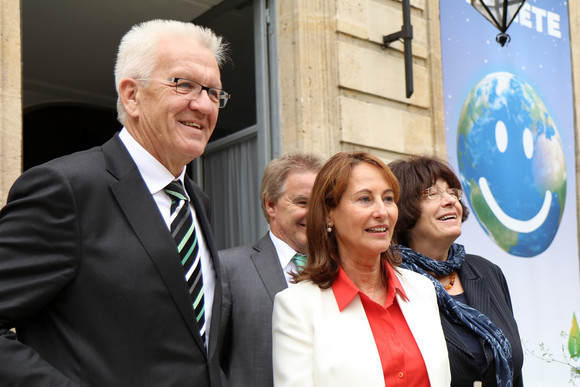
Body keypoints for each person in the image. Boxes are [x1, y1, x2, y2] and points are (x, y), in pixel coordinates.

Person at [0, 19, 231, 386]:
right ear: (131, 95)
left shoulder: (194, 202)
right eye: (184, 84)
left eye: (214, 92)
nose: (203, 105)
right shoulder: (67, 189)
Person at [272, 151, 451, 387]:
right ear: (329, 214)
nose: (382, 212)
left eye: (388, 199)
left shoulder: (422, 289)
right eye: (365, 199)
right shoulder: (296, 307)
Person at [388, 155, 524, 387]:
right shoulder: (391, 280)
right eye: (432, 193)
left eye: (452, 192)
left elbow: (514, 370)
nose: (450, 200)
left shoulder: (487, 271)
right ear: (403, 208)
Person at [219, 152, 323, 387]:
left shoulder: (341, 270)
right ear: (271, 204)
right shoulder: (227, 268)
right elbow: (210, 362)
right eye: (303, 202)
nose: (315, 212)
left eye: (321, 203)